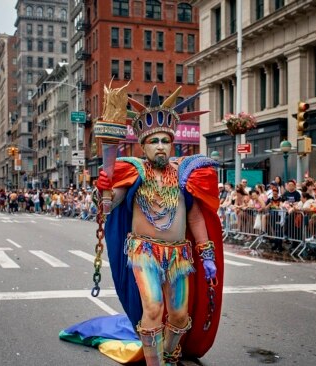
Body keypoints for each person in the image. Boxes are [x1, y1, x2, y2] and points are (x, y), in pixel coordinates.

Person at [62, 86, 223, 365]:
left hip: (179, 255)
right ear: (143, 144)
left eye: (165, 140)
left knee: (180, 314)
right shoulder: (133, 171)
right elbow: (109, 208)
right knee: (152, 307)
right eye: (154, 141)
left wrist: (206, 254)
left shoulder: (186, 174)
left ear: (172, 143)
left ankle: (171, 357)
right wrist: (103, 191)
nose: (160, 146)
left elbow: (195, 217)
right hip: (144, 252)